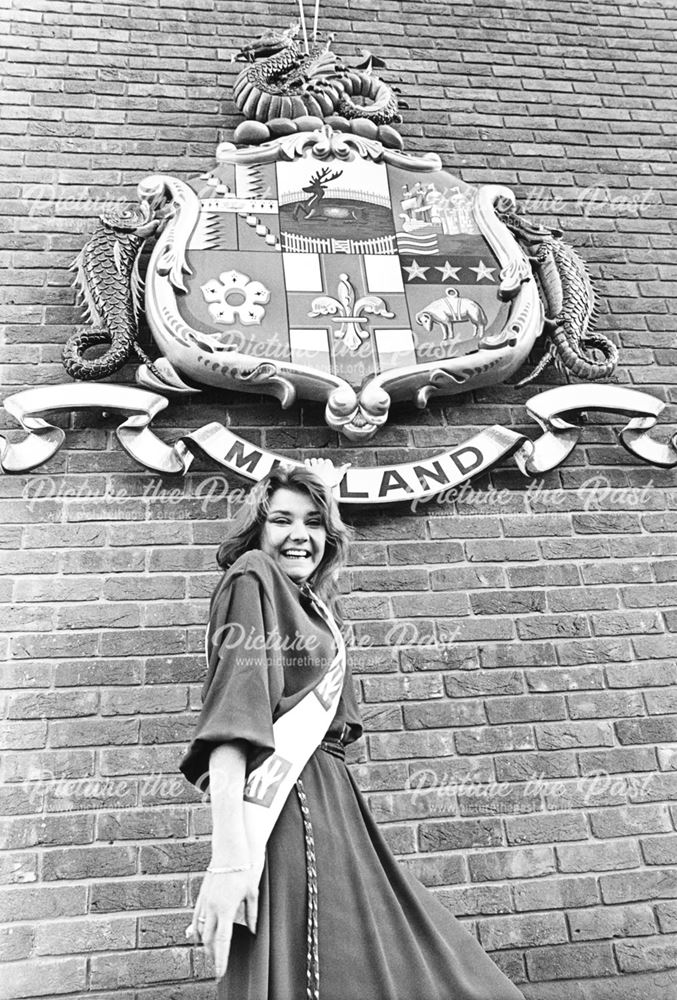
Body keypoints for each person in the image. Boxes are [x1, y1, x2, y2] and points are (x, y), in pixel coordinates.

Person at [180, 462, 525, 1000]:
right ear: (258, 529)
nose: (300, 535)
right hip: (291, 807)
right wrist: (229, 860)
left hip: (336, 804)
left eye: (314, 522)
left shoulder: (315, 607)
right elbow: (234, 722)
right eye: (282, 520)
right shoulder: (253, 575)